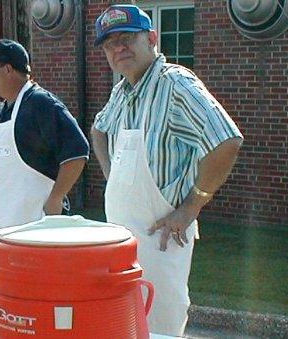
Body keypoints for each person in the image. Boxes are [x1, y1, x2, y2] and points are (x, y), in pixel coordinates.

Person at [91, 4, 243, 337]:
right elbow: (99, 129)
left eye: (127, 38)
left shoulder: (175, 85)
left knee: (159, 328)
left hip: (159, 246)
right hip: (120, 247)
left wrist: (192, 205)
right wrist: (110, 171)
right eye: (110, 43)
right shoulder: (123, 91)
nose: (119, 48)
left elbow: (226, 141)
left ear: (152, 38)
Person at [0, 39, 89, 238]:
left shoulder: (40, 104)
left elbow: (77, 152)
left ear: (8, 70)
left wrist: (56, 197)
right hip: (2, 234)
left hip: (38, 234)